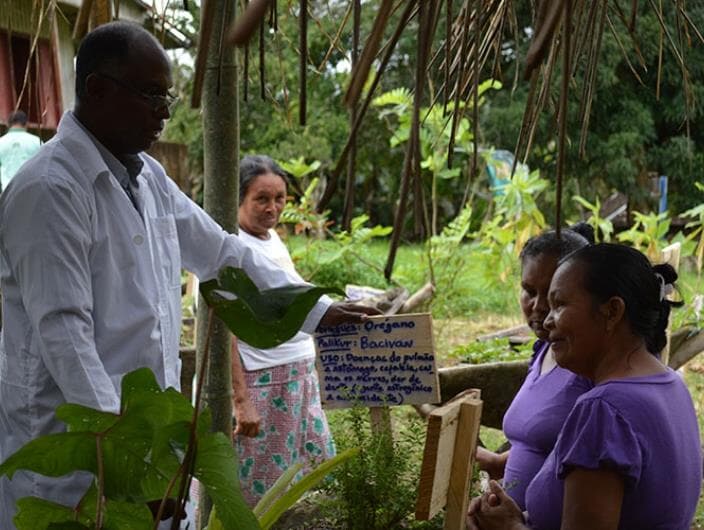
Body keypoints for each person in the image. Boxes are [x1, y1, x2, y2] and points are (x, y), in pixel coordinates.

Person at [0, 22, 374, 528]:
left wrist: (317, 310)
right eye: (151, 94)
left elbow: (222, 254)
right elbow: (66, 339)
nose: (165, 111)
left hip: (143, 440)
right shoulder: (50, 190)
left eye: (167, 95)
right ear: (97, 89)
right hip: (78, 457)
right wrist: (133, 470)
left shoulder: (147, 176)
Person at [468, 243, 702, 530]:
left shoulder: (604, 410)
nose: (548, 319)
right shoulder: (671, 385)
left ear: (612, 311)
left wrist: (509, 526)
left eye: (560, 304)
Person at [226, 155, 335, 505]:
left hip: (297, 382)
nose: (272, 208)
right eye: (261, 198)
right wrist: (241, 402)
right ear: (239, 198)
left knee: (305, 486)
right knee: (261, 492)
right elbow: (222, 334)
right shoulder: (229, 248)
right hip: (263, 388)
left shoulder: (271, 239)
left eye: (279, 199)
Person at [475, 225, 593, 510]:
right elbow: (546, 440)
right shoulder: (544, 349)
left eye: (554, 295)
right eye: (529, 291)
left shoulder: (591, 367)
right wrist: (497, 462)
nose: (539, 307)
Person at [0, 110, 41, 191]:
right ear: (26, 124)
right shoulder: (37, 141)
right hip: (33, 191)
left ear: (8, 124)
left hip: (7, 193)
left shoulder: (1, 142)